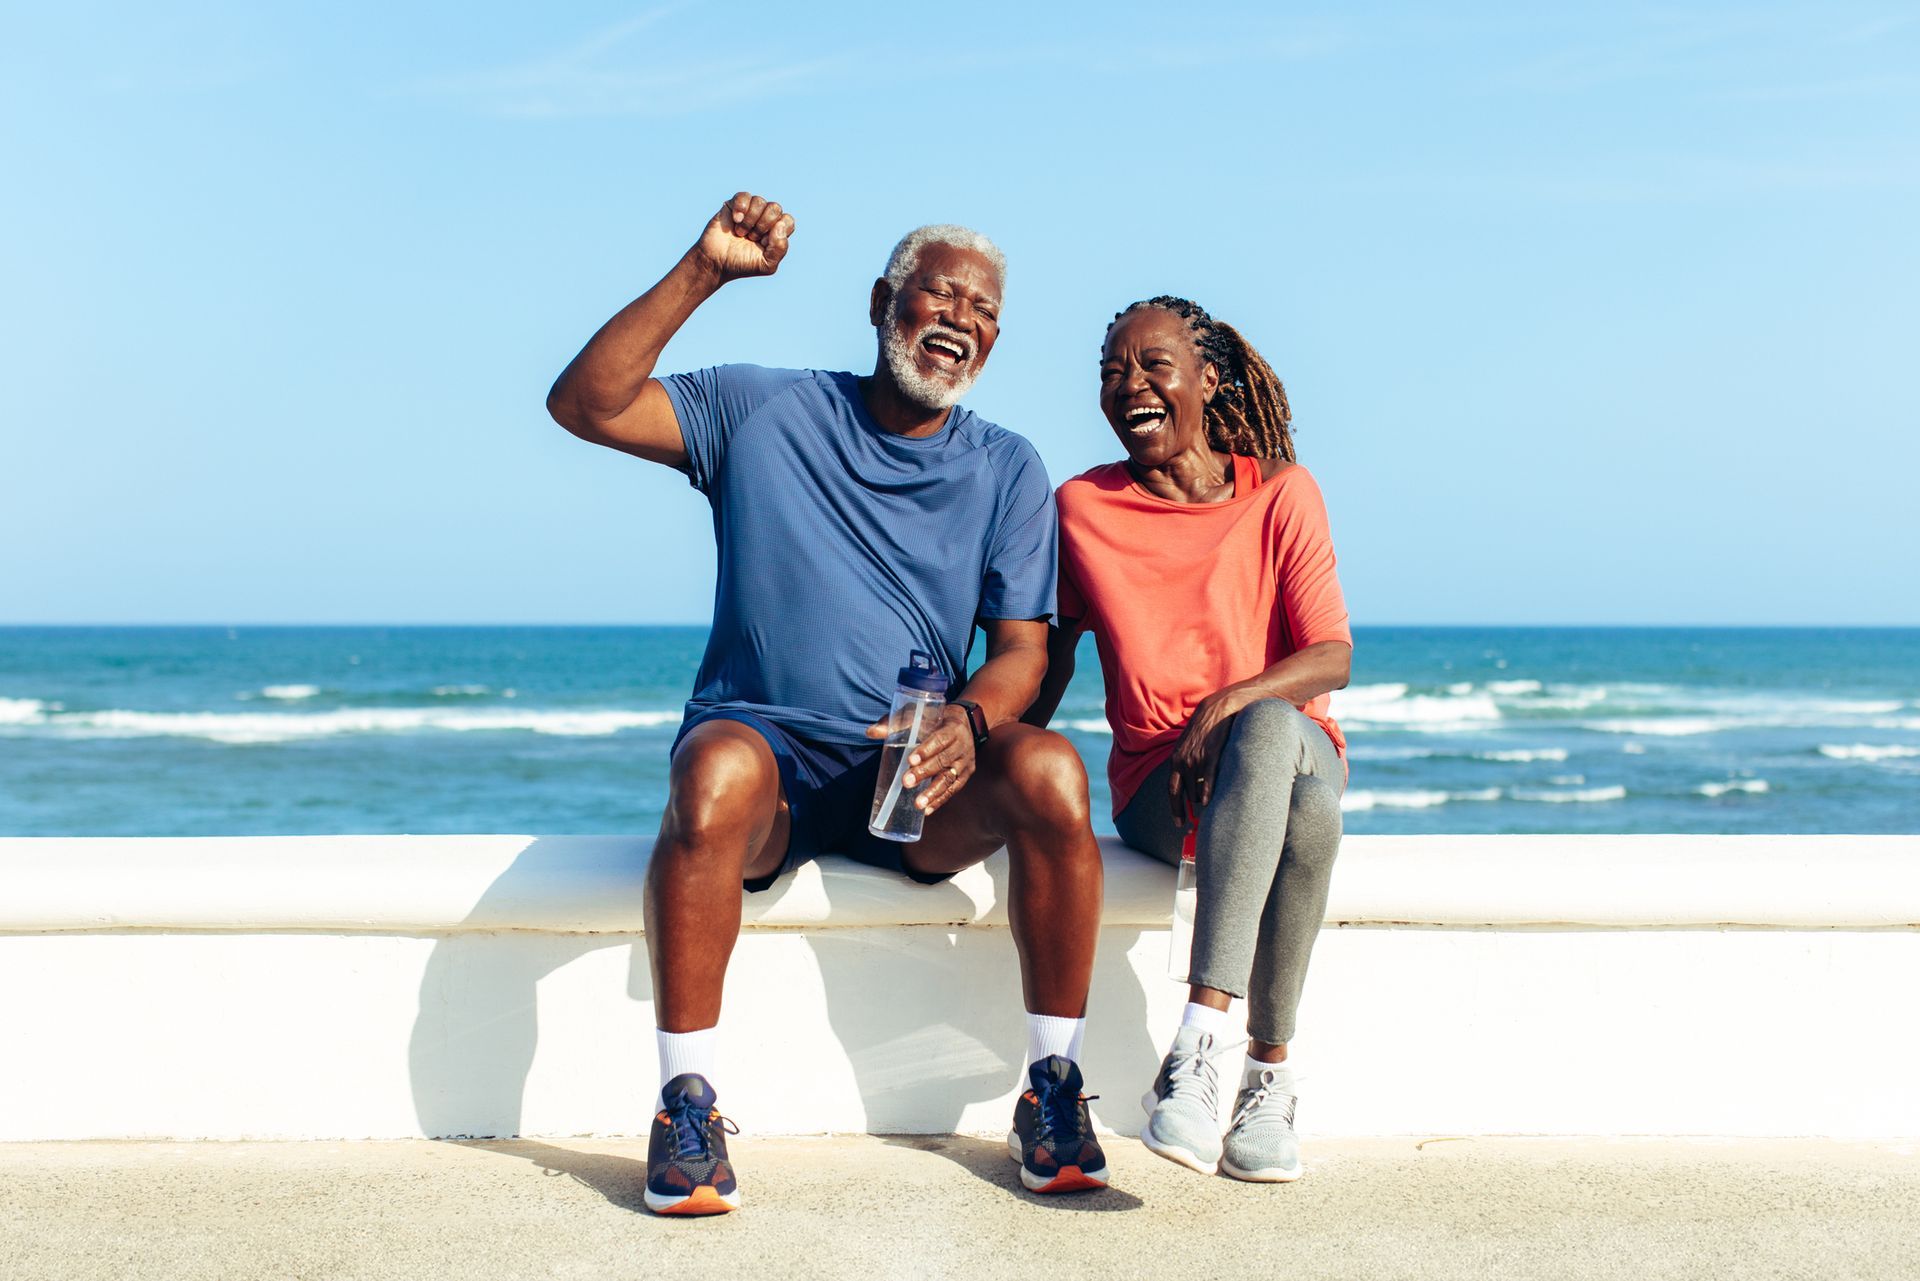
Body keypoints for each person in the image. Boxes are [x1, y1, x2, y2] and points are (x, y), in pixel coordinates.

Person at [546, 193, 1109, 1215]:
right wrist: (704, 272)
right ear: (881, 302)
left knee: (1055, 771)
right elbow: (584, 403)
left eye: (983, 309)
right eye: (939, 290)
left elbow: (1022, 651)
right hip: (770, 772)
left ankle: (1054, 1089)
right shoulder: (761, 409)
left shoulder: (1006, 467)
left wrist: (969, 724)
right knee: (712, 772)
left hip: (914, 784)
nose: (960, 317)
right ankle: (686, 1108)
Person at [1026, 296, 1352, 1183]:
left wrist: (1225, 706)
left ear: (1207, 379)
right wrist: (985, 757)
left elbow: (1330, 654)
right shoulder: (1082, 510)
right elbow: (1045, 667)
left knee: (1274, 733)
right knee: (1313, 815)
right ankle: (1267, 1079)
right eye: (1110, 371)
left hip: (1282, 743)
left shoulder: (1282, 490)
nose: (1129, 385)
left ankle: (1200, 1045)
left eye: (1152, 364)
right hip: (1161, 791)